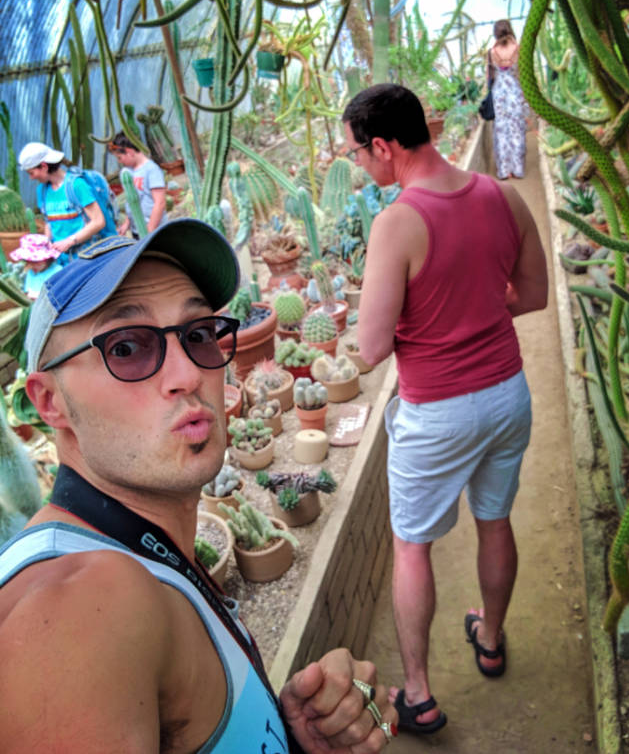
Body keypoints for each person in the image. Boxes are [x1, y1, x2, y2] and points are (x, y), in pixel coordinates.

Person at [0, 220, 398, 753]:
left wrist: (291, 739)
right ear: (50, 402)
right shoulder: (74, 614)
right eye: (126, 348)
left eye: (198, 334)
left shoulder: (142, 551)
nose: (188, 374)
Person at [342, 84, 548, 735]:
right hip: (507, 394)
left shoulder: (396, 222)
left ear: (383, 146)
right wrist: (477, 310)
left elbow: (372, 348)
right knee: (495, 520)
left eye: (356, 153)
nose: (357, 165)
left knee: (411, 546)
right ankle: (490, 637)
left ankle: (419, 694)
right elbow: (533, 294)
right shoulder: (501, 196)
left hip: (437, 411)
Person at [18, 142, 109, 263]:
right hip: (60, 259)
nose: (31, 177)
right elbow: (49, 222)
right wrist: (46, 242)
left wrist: (70, 241)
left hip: (86, 257)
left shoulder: (77, 185)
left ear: (44, 166)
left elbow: (98, 221)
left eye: (31, 173)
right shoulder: (42, 190)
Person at [488, 19, 528, 180]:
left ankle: (504, 170)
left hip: (499, 92)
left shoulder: (492, 51)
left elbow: (491, 75)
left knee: (501, 129)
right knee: (516, 129)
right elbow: (521, 72)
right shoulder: (517, 48)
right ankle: (517, 169)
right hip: (514, 91)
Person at [109, 131, 168, 236]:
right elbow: (132, 202)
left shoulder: (151, 169)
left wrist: (149, 232)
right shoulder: (127, 172)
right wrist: (127, 224)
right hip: (137, 230)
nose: (119, 161)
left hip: (156, 231)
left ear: (130, 152)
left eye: (119, 157)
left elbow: (160, 203)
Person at [8, 232, 62, 299]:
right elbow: (27, 292)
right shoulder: (31, 272)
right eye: (28, 261)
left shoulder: (57, 272)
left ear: (47, 258)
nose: (32, 265)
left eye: (36, 261)